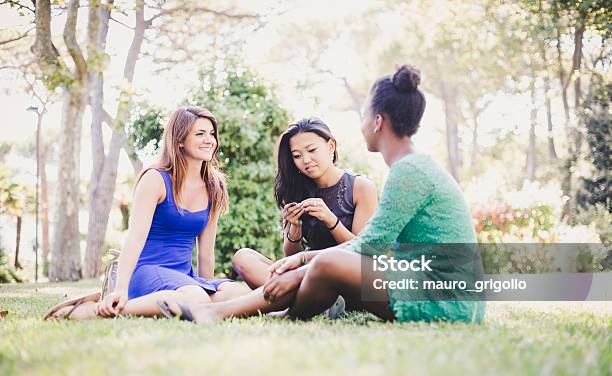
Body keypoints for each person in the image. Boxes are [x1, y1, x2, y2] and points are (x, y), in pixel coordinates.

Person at [157, 65, 485, 324]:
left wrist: (302, 263)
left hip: (445, 300)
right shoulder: (412, 167)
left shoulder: (409, 171)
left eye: (364, 116)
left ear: (378, 121)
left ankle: (222, 312)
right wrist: (297, 252)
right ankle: (274, 314)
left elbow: (367, 247)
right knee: (321, 263)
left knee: (327, 263)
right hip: (430, 287)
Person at [46, 106, 250, 320]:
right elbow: (134, 239)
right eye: (200, 134)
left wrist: (206, 290)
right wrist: (121, 289)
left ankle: (189, 301)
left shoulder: (214, 185)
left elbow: (206, 253)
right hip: (146, 270)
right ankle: (98, 310)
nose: (210, 140)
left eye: (212, 134)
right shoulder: (155, 179)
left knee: (239, 293)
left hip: (182, 277)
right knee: (195, 298)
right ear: (180, 140)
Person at [231, 117, 378, 290]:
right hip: (306, 273)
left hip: (344, 274)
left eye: (312, 150)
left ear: (331, 146)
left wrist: (331, 220)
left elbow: (362, 253)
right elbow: (291, 255)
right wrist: (295, 227)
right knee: (243, 257)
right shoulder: (295, 189)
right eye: (297, 156)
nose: (306, 160)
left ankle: (294, 296)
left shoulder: (361, 187)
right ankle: (303, 296)